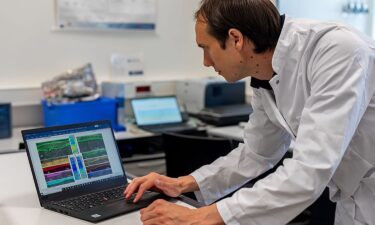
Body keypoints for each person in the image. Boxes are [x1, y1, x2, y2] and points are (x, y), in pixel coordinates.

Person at [124, 0, 375, 224]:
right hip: (355, 199)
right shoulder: (266, 74)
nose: (206, 62)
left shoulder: (338, 51)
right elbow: (257, 153)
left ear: (236, 39)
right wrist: (183, 183)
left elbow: (309, 170)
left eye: (206, 48)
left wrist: (201, 216)